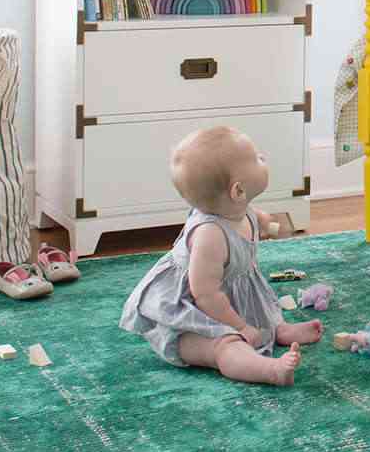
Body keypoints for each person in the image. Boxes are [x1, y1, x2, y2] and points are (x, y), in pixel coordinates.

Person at [119, 125, 321, 386]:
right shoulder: (210, 236)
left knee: (265, 309)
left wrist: (264, 223)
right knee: (225, 346)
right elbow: (205, 295)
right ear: (238, 191)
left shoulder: (239, 209)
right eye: (258, 158)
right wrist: (240, 327)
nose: (264, 158)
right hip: (192, 314)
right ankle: (269, 370)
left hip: (226, 298)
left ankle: (276, 329)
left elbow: (256, 221)